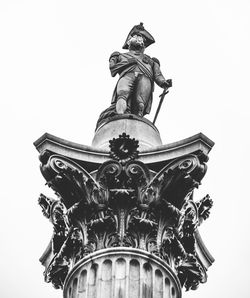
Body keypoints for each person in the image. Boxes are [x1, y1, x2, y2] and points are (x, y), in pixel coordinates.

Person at [96, 23, 172, 127]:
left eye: (140, 37)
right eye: (135, 36)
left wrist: (164, 82)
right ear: (129, 41)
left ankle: (138, 125)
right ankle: (120, 118)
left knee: (140, 104)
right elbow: (112, 70)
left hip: (145, 78)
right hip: (127, 75)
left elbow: (158, 76)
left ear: (144, 43)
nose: (137, 38)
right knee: (122, 94)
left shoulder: (152, 61)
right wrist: (129, 62)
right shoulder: (119, 55)